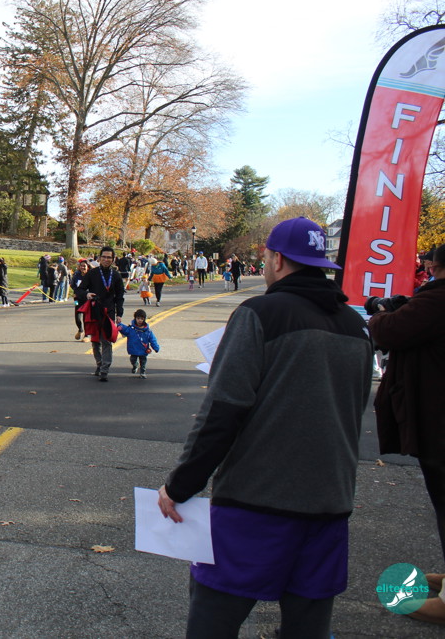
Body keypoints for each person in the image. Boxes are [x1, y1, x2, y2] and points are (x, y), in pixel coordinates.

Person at [156, 217, 372, 638]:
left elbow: (223, 411)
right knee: (308, 626)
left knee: (214, 617)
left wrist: (180, 485)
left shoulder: (259, 313)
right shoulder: (356, 325)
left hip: (256, 501)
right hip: (330, 502)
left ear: (277, 260)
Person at [368, 243, 445, 576]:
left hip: (436, 416)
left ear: (435, 267)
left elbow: (388, 331)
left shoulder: (437, 300)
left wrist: (381, 311)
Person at [80, 247, 124, 381]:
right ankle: (99, 364)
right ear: (99, 258)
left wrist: (119, 313)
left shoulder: (116, 275)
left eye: (109, 257)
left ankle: (105, 369)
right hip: (94, 310)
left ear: (113, 259)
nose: (106, 259)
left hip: (109, 311)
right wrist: (86, 294)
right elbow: (79, 289)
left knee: (106, 340)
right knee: (95, 341)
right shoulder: (92, 273)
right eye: (104, 257)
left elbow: (120, 296)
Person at [118, 308, 159, 378]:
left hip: (143, 350)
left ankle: (142, 372)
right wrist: (119, 325)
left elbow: (153, 339)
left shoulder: (147, 331)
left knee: (143, 361)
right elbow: (124, 329)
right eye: (138, 318)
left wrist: (156, 347)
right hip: (133, 349)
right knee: (133, 360)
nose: (140, 320)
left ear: (144, 319)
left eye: (142, 319)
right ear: (135, 318)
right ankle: (135, 365)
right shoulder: (131, 329)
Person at [71, 258, 90, 339]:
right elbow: (72, 285)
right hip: (77, 299)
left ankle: (86, 335)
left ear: (87, 267)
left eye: (84, 266)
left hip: (87, 300)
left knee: (86, 318)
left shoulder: (90, 275)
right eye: (81, 266)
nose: (82, 267)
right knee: (77, 317)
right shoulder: (76, 275)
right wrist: (75, 292)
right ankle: (80, 330)